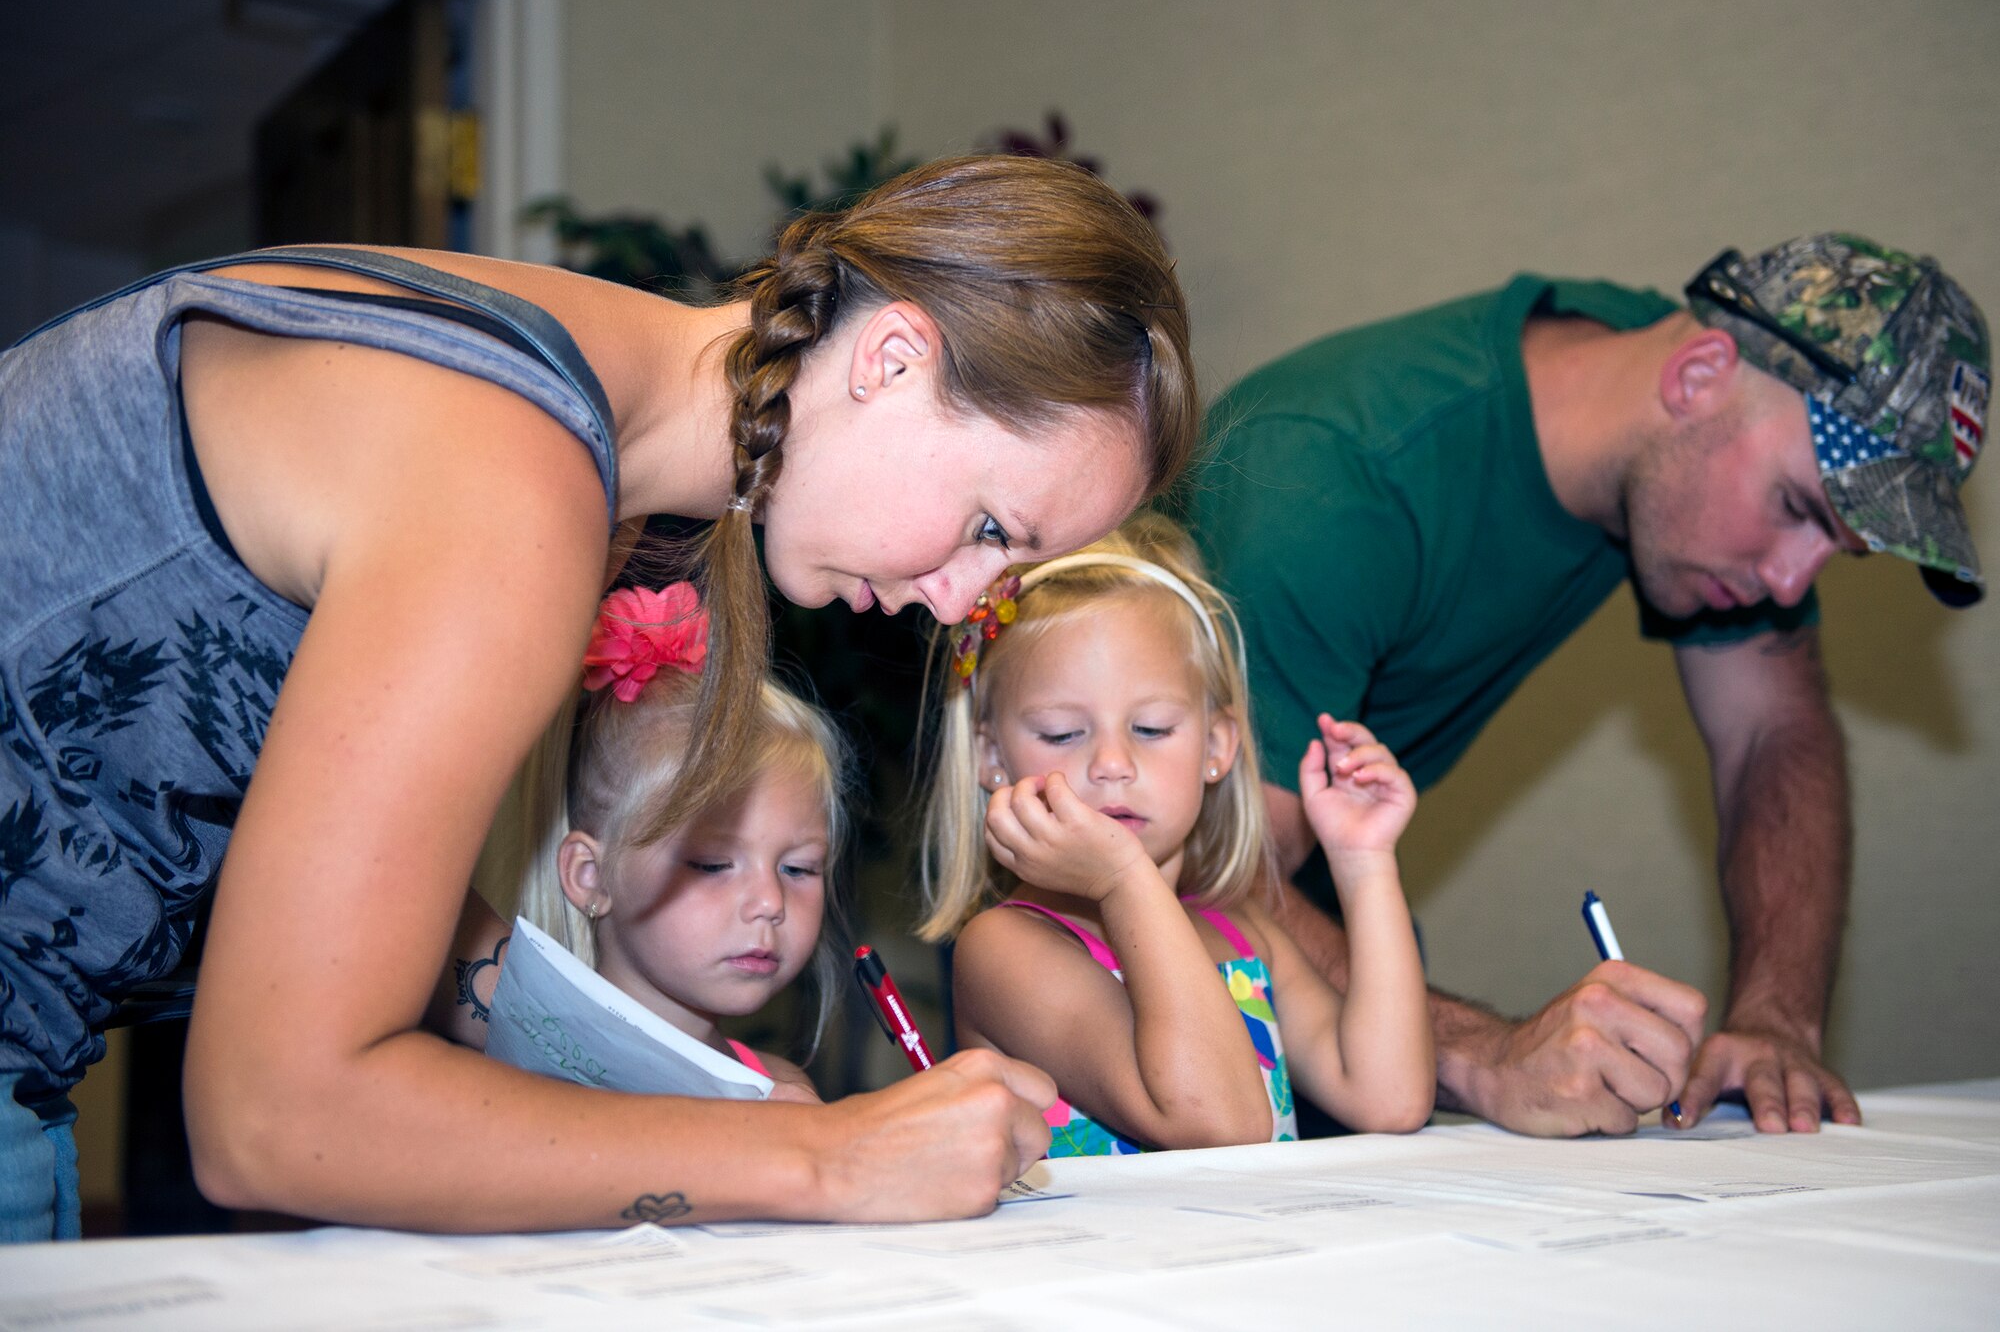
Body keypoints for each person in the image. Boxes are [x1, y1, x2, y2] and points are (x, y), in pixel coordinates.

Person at [0, 154, 1198, 1241]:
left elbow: (334, 895)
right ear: (891, 359)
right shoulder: (509, 487)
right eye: (990, 527)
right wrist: (820, 1155)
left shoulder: (543, 376)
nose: (957, 603)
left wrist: (677, 1090)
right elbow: (276, 1117)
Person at [1186, 234, 1989, 1138]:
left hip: (1323, 938)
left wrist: (1776, 1022)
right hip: (1104, 969)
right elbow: (1218, 874)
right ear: (1696, 375)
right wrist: (1488, 1056)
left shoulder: (1656, 387)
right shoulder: (1327, 486)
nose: (1792, 583)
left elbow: (1774, 730)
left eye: (1837, 549)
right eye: (1798, 509)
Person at [917, 516, 1433, 1155]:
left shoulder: (1244, 933)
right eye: (1061, 733)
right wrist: (1122, 877)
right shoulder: (1006, 948)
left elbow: (1389, 1098)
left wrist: (1364, 862)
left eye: (1153, 728)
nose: (1112, 763)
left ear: (1216, 747)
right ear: (992, 757)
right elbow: (1216, 1123)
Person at [494, 581, 844, 1103]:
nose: (771, 903)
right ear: (590, 875)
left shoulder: (783, 1087)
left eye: (798, 869)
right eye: (711, 864)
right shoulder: (541, 1088)